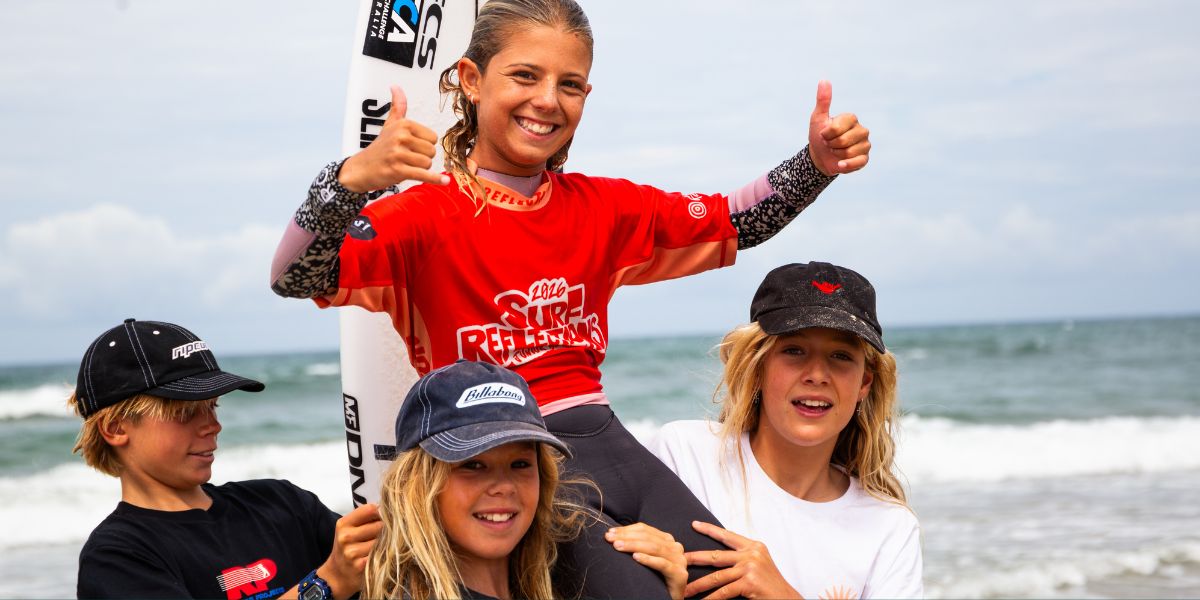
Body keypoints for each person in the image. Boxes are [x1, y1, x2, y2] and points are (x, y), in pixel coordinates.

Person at [270, 0, 872, 594]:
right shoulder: (421, 217)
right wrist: (347, 182)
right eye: (525, 76)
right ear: (472, 81)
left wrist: (815, 165)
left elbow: (735, 220)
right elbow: (294, 276)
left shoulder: (603, 208)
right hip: (514, 459)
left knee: (735, 586)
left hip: (609, 441)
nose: (547, 100)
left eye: (571, 84)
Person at [652, 262, 923, 599]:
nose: (817, 374)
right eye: (794, 350)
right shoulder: (685, 456)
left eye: (840, 355)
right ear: (758, 365)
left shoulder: (889, 528)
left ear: (864, 382)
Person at [70, 318, 382, 600]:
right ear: (114, 428)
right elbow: (337, 576)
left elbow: (398, 579)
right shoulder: (117, 557)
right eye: (186, 412)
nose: (212, 426)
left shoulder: (284, 504)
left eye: (213, 406)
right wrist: (327, 584)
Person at [363, 359, 687, 600]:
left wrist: (659, 588)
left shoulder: (560, 582)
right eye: (473, 465)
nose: (504, 485)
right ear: (417, 483)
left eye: (520, 464)